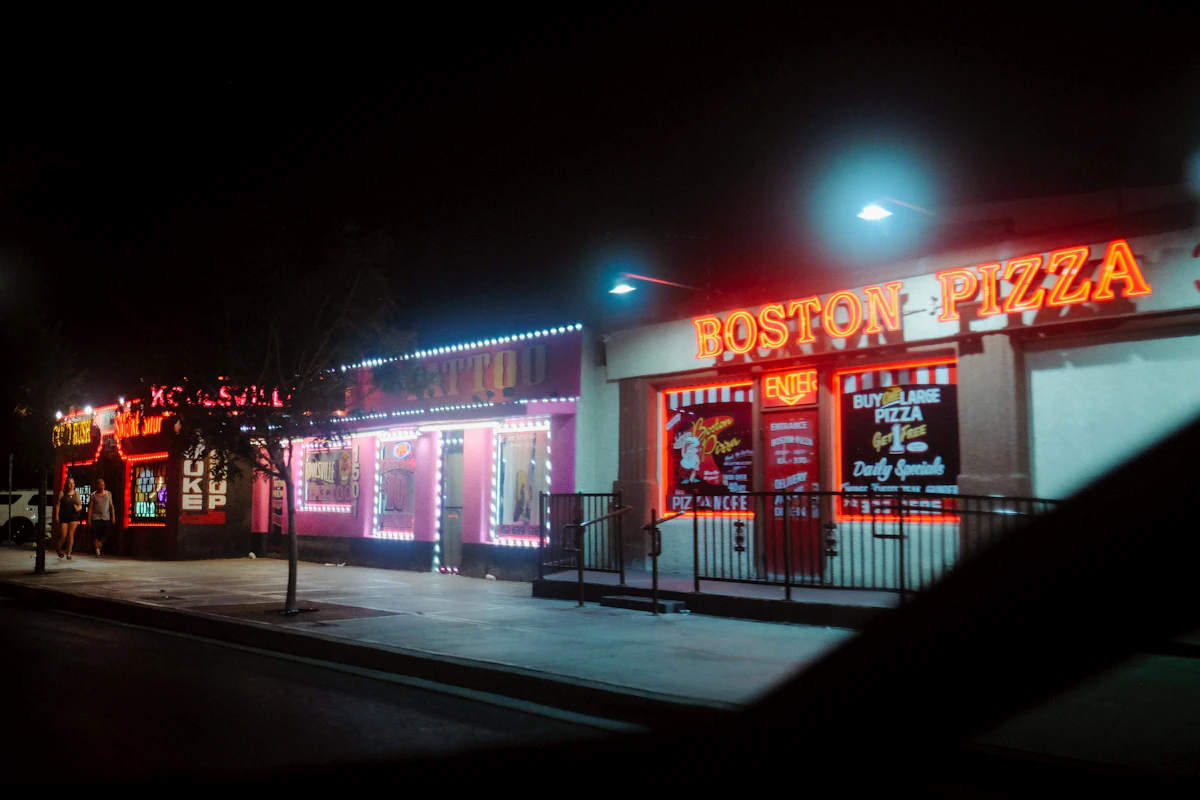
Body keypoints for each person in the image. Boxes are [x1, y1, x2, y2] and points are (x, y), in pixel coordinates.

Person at [54, 476, 82, 560]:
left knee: (71, 534)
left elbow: (79, 504)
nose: (71, 485)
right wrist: (57, 515)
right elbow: (58, 505)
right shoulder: (62, 493)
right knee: (63, 535)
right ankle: (58, 548)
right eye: (70, 483)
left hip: (73, 516)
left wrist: (78, 508)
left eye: (73, 483)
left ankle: (69, 552)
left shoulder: (76, 493)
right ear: (66, 485)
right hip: (64, 516)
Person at [89, 478, 115, 557]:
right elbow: (90, 508)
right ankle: (97, 552)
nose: (102, 487)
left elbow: (111, 506)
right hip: (95, 518)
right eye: (100, 485)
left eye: (103, 485)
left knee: (107, 534)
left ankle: (100, 543)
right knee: (95, 535)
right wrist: (89, 519)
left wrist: (113, 516)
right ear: (97, 486)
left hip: (106, 517)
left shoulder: (108, 494)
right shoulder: (93, 495)